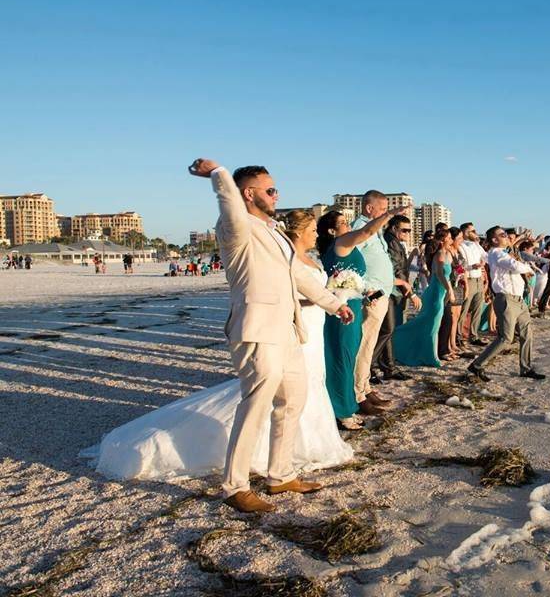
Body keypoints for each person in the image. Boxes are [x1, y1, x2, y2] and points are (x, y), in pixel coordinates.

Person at [93, 159, 355, 515]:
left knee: (294, 399)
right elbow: (230, 206)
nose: (277, 195)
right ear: (249, 193)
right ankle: (235, 486)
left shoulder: (276, 232)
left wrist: (332, 304)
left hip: (289, 329)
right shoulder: (236, 227)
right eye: (270, 189)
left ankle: (280, 475)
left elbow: (299, 275)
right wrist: (219, 175)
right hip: (256, 328)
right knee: (256, 404)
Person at [317, 205, 405, 423]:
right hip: (343, 309)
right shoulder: (341, 243)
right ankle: (343, 410)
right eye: (343, 223)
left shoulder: (343, 246)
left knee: (349, 356)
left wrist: (365, 289)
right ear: (332, 231)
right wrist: (389, 214)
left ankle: (349, 404)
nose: (348, 225)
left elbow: (350, 277)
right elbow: (366, 232)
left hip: (354, 304)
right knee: (343, 358)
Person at [468, 226, 545, 383]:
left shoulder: (505, 252)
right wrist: (527, 267)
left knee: (527, 334)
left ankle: (526, 368)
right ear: (495, 240)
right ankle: (477, 365)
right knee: (505, 338)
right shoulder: (496, 253)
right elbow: (516, 266)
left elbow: (517, 264)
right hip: (506, 299)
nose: (507, 237)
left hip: (518, 300)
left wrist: (524, 264)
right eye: (503, 235)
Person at [350, 190, 401, 415]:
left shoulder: (375, 230)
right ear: (369, 208)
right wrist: (365, 290)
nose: (385, 216)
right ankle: (358, 393)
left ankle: (365, 387)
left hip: (381, 293)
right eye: (383, 211)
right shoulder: (360, 229)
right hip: (371, 295)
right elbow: (351, 260)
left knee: (370, 345)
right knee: (364, 344)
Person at [392, 228, 453, 367]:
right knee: (432, 325)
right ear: (443, 240)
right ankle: (432, 356)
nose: (451, 240)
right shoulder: (439, 254)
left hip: (441, 292)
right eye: (449, 238)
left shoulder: (447, 253)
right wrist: (450, 289)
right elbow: (439, 273)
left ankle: (429, 352)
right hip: (435, 293)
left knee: (429, 324)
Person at [373, 214, 420, 382]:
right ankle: (371, 367)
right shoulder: (391, 242)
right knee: (386, 330)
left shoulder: (395, 242)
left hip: (395, 290)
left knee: (388, 330)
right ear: (393, 228)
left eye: (410, 230)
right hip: (390, 290)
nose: (408, 233)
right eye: (405, 230)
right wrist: (410, 291)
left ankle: (388, 367)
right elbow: (396, 269)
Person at [438, 227, 467, 361]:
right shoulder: (445, 252)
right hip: (451, 285)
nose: (461, 240)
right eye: (459, 238)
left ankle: (452, 344)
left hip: (457, 285)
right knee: (451, 318)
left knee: (456, 317)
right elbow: (442, 272)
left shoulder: (458, 251)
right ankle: (448, 346)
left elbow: (462, 268)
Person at [457, 222, 488, 347]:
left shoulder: (476, 245)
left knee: (477, 309)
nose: (475, 233)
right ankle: (458, 336)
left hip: (478, 279)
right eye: (473, 231)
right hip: (468, 279)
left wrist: (482, 264)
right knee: (464, 310)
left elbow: (485, 256)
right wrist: (472, 266)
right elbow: (460, 266)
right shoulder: (460, 245)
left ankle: (474, 335)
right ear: (465, 232)